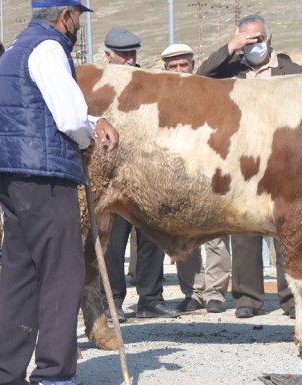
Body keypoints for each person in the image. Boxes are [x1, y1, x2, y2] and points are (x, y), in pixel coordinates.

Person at [0, 1, 119, 384]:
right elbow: (69, 117)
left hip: (15, 174)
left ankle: (6, 374)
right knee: (63, 273)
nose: (77, 25)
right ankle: (54, 373)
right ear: (65, 16)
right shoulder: (49, 47)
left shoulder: (17, 48)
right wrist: (88, 134)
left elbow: (37, 107)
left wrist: (92, 122)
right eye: (77, 17)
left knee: (20, 278)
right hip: (45, 175)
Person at [197, 14, 302, 319]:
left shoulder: (292, 71)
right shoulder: (230, 71)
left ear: (270, 39)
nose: (255, 45)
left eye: (259, 38)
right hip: (244, 162)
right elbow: (199, 77)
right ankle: (247, 298)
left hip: (284, 161)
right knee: (244, 232)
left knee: (286, 231)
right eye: (248, 39)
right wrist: (231, 47)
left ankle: (291, 297)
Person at [101, 27, 180, 322]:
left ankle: (150, 299)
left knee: (151, 239)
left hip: (148, 173)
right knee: (113, 243)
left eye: (133, 53)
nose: (129, 59)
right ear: (107, 55)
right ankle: (113, 301)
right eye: (123, 54)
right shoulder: (102, 87)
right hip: (115, 174)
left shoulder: (147, 83)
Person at [159, 43, 231, 314]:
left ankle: (216, 293)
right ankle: (193, 292)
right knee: (184, 233)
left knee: (216, 235)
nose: (179, 70)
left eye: (183, 65)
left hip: (210, 170)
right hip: (178, 173)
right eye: (173, 66)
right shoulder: (162, 100)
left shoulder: (209, 92)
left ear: (193, 64)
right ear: (165, 69)